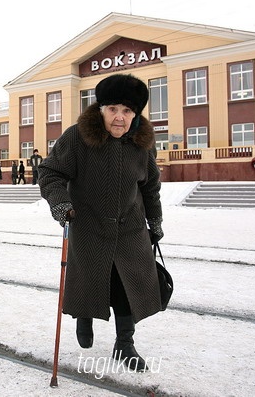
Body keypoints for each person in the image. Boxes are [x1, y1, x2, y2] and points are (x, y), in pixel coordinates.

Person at [38, 74, 164, 372]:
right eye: (113, 109)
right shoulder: (77, 137)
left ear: (135, 115)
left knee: (126, 286)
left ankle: (125, 344)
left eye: (127, 111)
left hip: (130, 228)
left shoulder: (141, 144)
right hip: (89, 224)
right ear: (101, 109)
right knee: (91, 278)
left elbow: (150, 186)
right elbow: (51, 172)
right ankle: (84, 315)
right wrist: (61, 203)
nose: (119, 118)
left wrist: (155, 220)